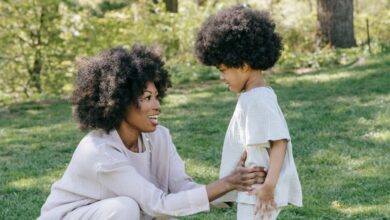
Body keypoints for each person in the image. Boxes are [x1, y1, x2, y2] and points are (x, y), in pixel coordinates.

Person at [38, 44, 267, 220]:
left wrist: (233, 188)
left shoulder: (159, 137)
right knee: (125, 208)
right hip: (71, 215)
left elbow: (181, 188)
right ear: (119, 102)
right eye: (147, 98)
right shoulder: (99, 151)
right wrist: (226, 183)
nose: (157, 105)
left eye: (156, 96)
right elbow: (158, 204)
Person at [195, 4, 303, 220]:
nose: (221, 77)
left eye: (223, 70)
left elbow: (280, 141)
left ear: (243, 65)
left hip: (259, 191)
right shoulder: (252, 96)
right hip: (251, 189)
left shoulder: (258, 97)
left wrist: (269, 187)